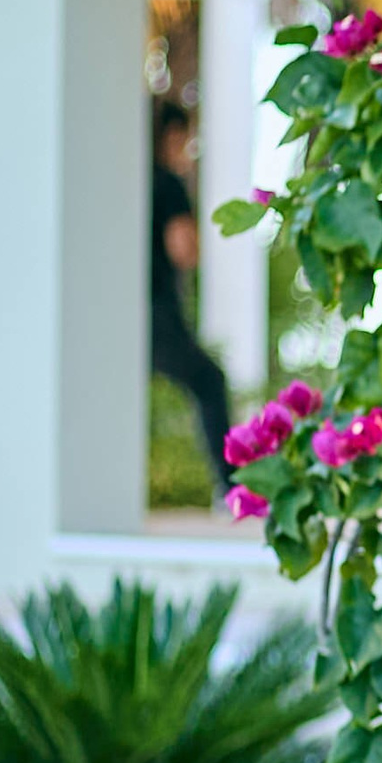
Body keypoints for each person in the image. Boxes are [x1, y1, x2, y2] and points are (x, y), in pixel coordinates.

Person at [150, 102, 234, 496]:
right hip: (157, 311)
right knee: (208, 380)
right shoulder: (166, 184)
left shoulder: (124, 183)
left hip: (116, 312)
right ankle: (231, 486)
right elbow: (183, 248)